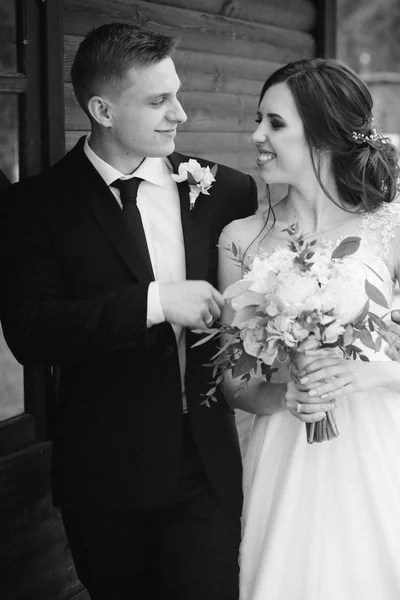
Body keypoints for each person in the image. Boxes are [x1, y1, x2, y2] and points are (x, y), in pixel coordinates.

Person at [0, 23, 257, 600]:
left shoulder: (227, 192)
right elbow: (32, 334)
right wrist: (156, 302)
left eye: (178, 94)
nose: (180, 115)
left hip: (206, 470)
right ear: (102, 109)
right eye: (159, 100)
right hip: (105, 479)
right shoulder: (36, 208)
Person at [218, 58, 400, 600]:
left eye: (275, 123)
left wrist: (364, 375)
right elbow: (234, 385)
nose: (257, 136)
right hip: (285, 459)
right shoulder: (242, 239)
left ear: (321, 134)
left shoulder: (388, 227)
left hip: (378, 450)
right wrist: (284, 393)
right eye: (259, 120)